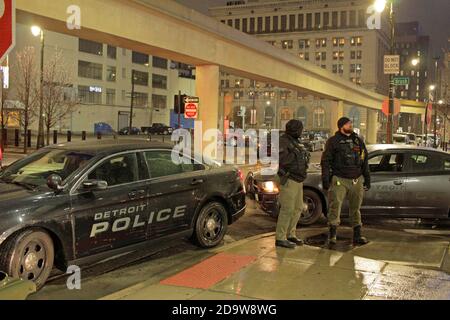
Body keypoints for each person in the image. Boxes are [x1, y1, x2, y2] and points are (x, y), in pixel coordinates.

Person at [321, 117, 370, 246]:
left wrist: (367, 179)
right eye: (348, 124)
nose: (351, 125)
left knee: (356, 208)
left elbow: (364, 160)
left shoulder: (358, 141)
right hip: (339, 179)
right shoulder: (333, 141)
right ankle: (332, 235)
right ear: (341, 126)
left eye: (351, 123)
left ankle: (357, 234)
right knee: (335, 206)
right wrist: (326, 180)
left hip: (356, 179)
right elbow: (325, 161)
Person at [276, 119, 310, 249]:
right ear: (295, 129)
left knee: (297, 208)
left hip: (298, 179)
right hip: (288, 179)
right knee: (287, 209)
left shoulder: (295, 141)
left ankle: (291, 234)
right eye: (300, 129)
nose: (301, 131)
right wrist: (296, 155)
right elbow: (283, 160)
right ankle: (280, 237)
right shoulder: (283, 141)